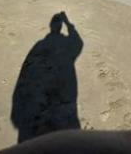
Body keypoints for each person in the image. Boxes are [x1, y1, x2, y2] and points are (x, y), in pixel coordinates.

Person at [11, 12, 83, 143]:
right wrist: (68, 24)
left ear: (51, 26)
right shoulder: (63, 44)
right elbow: (78, 43)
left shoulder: (39, 45)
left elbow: (26, 68)